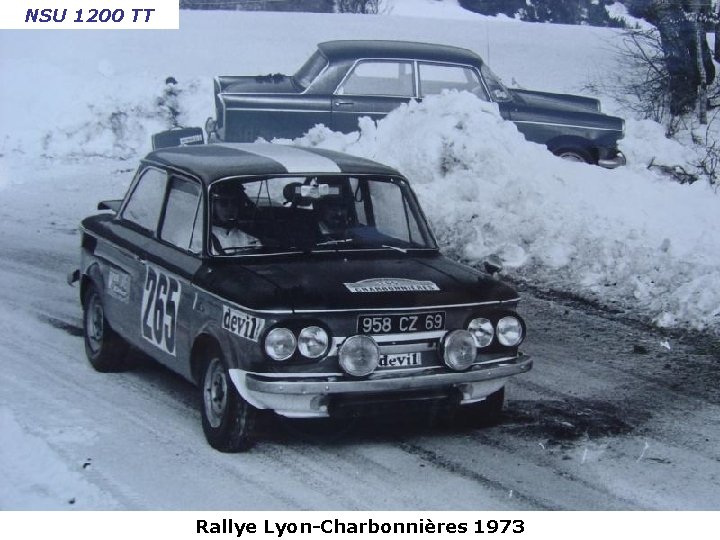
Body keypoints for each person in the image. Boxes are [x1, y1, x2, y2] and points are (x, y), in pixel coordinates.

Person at [210, 183, 261, 254]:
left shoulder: (250, 239)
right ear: (213, 207)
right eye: (223, 203)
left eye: (234, 203)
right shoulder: (202, 238)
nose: (230, 208)